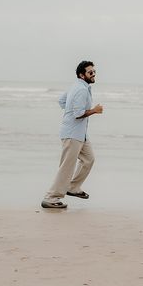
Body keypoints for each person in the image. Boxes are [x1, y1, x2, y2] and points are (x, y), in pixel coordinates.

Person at [41, 61, 103, 209]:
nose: (93, 74)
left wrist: (70, 109)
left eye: (94, 71)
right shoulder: (80, 90)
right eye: (90, 72)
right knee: (66, 167)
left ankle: (73, 187)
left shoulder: (78, 86)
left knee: (89, 159)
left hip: (80, 134)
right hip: (72, 134)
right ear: (82, 75)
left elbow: (62, 101)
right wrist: (94, 110)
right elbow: (78, 114)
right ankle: (50, 198)